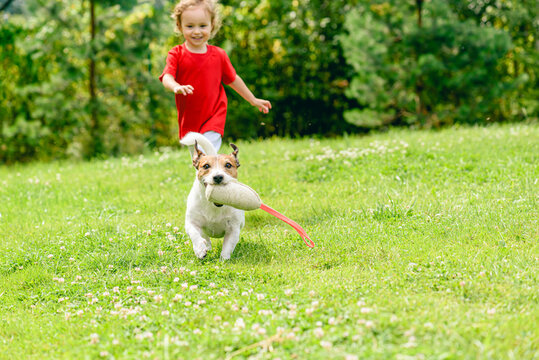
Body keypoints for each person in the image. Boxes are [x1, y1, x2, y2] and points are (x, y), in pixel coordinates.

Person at [159, 0, 271, 152]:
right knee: (199, 161)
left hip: (214, 114)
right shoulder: (176, 54)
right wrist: (176, 87)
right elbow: (167, 77)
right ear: (179, 26)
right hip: (190, 120)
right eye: (190, 26)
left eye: (203, 26)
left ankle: (217, 172)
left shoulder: (219, 55)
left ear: (212, 25)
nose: (197, 31)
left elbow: (233, 79)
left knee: (208, 153)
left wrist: (253, 99)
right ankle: (205, 175)